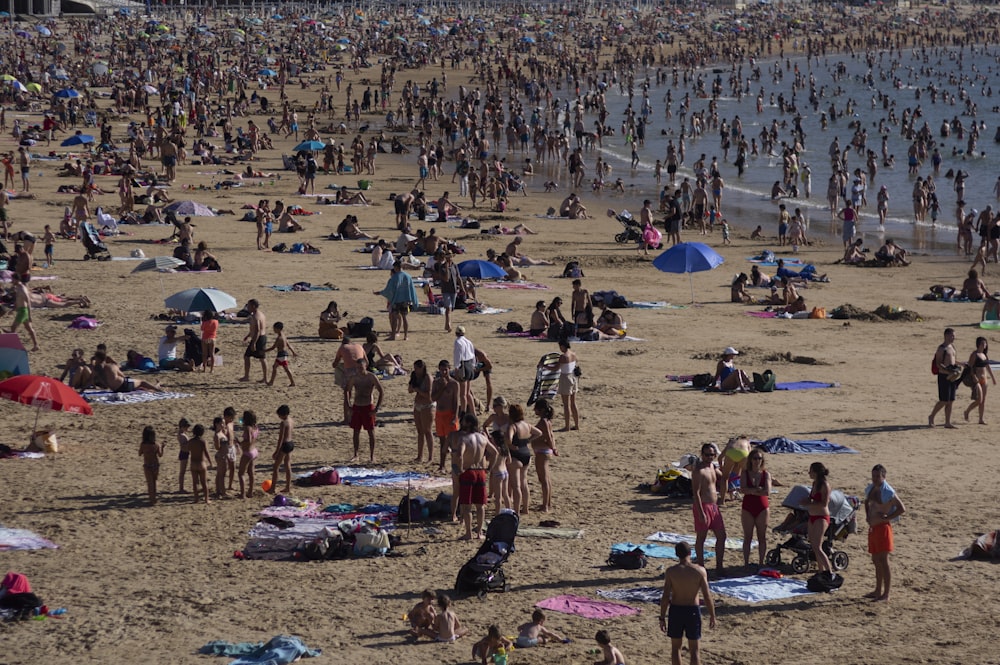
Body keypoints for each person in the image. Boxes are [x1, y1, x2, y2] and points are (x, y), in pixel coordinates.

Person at [659, 541, 716, 665]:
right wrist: (712, 614)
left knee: (675, 649)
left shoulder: (671, 571)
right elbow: (707, 596)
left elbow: (665, 596)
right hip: (692, 610)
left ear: (676, 554)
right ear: (690, 553)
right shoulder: (699, 571)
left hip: (676, 610)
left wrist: (662, 617)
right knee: (694, 650)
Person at [864, 464, 906, 602]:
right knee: (875, 560)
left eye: (878, 476)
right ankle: (877, 590)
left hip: (883, 528)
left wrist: (888, 517)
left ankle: (886, 594)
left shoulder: (888, 491)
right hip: (874, 528)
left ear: (883, 476)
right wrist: (867, 516)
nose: (875, 478)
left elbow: (901, 508)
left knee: (884, 560)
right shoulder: (871, 488)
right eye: (873, 476)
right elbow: (866, 502)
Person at [456, 412, 491, 540]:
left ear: (469, 423)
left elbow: (459, 454)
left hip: (468, 471)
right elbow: (495, 452)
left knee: (467, 505)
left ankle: (469, 533)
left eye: (464, 421)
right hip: (481, 471)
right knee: (480, 505)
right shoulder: (482, 437)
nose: (461, 423)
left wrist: (459, 469)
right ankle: (479, 533)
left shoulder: (464, 438)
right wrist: (489, 467)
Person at [692, 443, 726, 573]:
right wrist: (701, 513)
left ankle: (719, 566)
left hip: (714, 506)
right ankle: (701, 566)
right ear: (702, 455)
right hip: (703, 506)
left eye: (712, 455)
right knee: (701, 538)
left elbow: (724, 477)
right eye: (706, 455)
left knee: (722, 536)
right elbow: (696, 494)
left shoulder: (712, 466)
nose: (709, 457)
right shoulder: (698, 471)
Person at [506, 402, 541, 515]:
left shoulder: (513, 426)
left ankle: (516, 511)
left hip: (516, 456)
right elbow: (538, 433)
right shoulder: (526, 425)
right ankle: (525, 508)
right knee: (524, 483)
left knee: (516, 485)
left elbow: (508, 439)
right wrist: (527, 441)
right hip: (526, 453)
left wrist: (510, 446)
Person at [346, 359, 384, 462]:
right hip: (357, 406)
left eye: (361, 367)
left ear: (365, 366)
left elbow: (381, 391)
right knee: (356, 431)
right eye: (357, 368)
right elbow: (347, 391)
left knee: (371, 432)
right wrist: (349, 406)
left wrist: (376, 408)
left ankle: (372, 455)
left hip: (368, 406)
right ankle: (356, 454)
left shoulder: (371, 377)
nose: (359, 370)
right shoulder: (354, 378)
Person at [801, 462, 833, 577]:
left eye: (811, 471)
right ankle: (820, 571)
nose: (809, 473)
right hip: (812, 516)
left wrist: (809, 503)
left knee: (818, 547)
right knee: (813, 546)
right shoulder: (815, 484)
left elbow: (824, 503)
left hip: (822, 517)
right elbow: (811, 500)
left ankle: (829, 571)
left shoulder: (824, 485)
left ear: (816, 472)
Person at [740, 449, 771, 568]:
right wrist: (756, 490)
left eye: (759, 458)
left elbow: (767, 492)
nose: (757, 461)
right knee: (747, 536)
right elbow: (743, 489)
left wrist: (751, 491)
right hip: (748, 507)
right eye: (755, 458)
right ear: (751, 460)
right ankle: (746, 562)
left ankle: (761, 562)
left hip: (762, 507)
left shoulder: (766, 474)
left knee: (761, 536)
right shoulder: (745, 473)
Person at [375, 261, 418, 340]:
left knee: (394, 318)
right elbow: (412, 289)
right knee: (404, 318)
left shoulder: (394, 277)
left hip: (396, 300)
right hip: (406, 299)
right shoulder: (408, 276)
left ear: (396, 267)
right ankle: (405, 336)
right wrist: (414, 301)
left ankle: (393, 336)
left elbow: (389, 290)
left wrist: (380, 293)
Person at [929, 328, 959, 428]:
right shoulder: (941, 349)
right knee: (944, 400)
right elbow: (938, 364)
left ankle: (947, 422)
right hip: (943, 376)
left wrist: (962, 364)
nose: (953, 337)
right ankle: (932, 416)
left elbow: (955, 361)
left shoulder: (952, 347)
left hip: (953, 376)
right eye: (952, 335)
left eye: (954, 336)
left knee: (951, 400)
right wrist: (947, 370)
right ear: (946, 336)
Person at [532, 398, 558, 513]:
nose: (534, 411)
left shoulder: (543, 422)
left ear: (541, 410)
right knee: (546, 479)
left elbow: (548, 436)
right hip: (544, 451)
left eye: (536, 409)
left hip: (542, 452)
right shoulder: (547, 421)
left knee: (543, 479)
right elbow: (551, 436)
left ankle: (545, 506)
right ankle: (547, 503)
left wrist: (553, 448)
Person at [964, 336, 996, 424]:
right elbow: (970, 366)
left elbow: (988, 367)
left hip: (984, 379)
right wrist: (973, 376)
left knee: (983, 400)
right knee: (979, 400)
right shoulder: (974, 354)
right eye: (982, 343)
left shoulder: (985, 355)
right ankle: (967, 411)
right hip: (976, 380)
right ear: (978, 344)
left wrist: (993, 378)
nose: (984, 345)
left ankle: (981, 419)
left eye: (985, 343)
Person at [409, 359, 434, 463]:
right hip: (418, 405)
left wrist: (418, 390)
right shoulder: (414, 375)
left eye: (417, 368)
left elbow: (429, 396)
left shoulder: (428, 377)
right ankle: (420, 456)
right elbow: (410, 390)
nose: (415, 370)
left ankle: (430, 457)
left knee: (427, 431)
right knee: (420, 431)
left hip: (427, 406)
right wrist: (413, 388)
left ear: (422, 368)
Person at [8, 274, 38, 351]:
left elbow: (28, 301)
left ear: (17, 279)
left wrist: (30, 315)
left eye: (13, 279)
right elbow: (18, 300)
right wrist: (13, 309)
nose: (11, 281)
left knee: (13, 327)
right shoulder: (17, 287)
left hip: (23, 311)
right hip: (21, 310)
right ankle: (36, 345)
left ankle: (11, 345)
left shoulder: (22, 288)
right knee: (29, 329)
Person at [240, 299, 267, 382]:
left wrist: (254, 343)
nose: (247, 307)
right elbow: (254, 329)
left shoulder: (256, 316)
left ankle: (264, 378)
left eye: (248, 305)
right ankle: (247, 376)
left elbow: (258, 330)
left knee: (262, 358)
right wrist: (248, 336)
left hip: (259, 338)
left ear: (253, 306)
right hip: (257, 337)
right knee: (247, 356)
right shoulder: (256, 314)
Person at [437, 252, 464, 333]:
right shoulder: (442, 267)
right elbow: (446, 279)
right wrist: (446, 267)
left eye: (450, 256)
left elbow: (458, 277)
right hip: (446, 290)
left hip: (454, 289)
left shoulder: (454, 266)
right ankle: (448, 324)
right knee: (448, 308)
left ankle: (446, 323)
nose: (449, 258)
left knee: (451, 308)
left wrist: (462, 288)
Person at [270, 405, 294, 494]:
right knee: (287, 465)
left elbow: (281, 438)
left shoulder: (283, 423)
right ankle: (288, 487)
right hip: (291, 443)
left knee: (276, 466)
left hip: (285, 444)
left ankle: (272, 488)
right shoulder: (291, 420)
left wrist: (277, 451)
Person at [453, 325, 476, 417]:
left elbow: (457, 355)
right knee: (468, 392)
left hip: (463, 365)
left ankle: (463, 412)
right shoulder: (468, 341)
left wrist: (456, 367)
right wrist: (473, 365)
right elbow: (473, 354)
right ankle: (473, 412)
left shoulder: (458, 342)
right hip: (470, 364)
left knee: (463, 393)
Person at [265, 322, 297, 387]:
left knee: (286, 369)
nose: (274, 330)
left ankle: (292, 382)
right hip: (283, 354)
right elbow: (288, 344)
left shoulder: (279, 338)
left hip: (281, 355)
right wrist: (293, 352)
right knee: (275, 367)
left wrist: (264, 351)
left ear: (278, 329)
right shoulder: (283, 335)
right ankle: (271, 382)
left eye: (274, 329)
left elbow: (273, 347)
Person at [138, 425, 163, 506]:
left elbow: (139, 453)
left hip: (147, 465)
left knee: (150, 483)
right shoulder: (156, 444)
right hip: (155, 465)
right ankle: (154, 499)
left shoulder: (143, 444)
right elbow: (160, 455)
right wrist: (162, 447)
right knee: (154, 482)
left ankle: (151, 499)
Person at [237, 410, 259, 500]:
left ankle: (243, 494)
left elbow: (248, 441)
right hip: (254, 451)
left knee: (241, 473)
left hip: (247, 452)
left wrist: (239, 443)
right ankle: (250, 491)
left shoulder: (248, 428)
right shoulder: (255, 427)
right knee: (250, 473)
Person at [188, 424, 211, 505]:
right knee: (204, 482)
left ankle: (196, 499)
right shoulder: (202, 441)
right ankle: (206, 499)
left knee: (195, 482)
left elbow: (187, 450)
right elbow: (206, 452)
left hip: (193, 463)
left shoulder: (190, 441)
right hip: (201, 463)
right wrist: (210, 461)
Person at [212, 417, 230, 499]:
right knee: (221, 474)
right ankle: (222, 491)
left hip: (224, 455)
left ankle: (219, 490)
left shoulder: (222, 432)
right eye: (221, 423)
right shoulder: (217, 435)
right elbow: (217, 447)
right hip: (221, 456)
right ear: (217, 424)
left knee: (221, 473)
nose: (223, 425)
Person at [176, 418, 192, 493]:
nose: (187, 428)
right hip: (184, 453)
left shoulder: (182, 434)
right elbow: (183, 446)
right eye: (186, 427)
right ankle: (181, 488)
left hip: (185, 453)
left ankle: (181, 487)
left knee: (183, 471)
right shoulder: (182, 435)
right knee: (182, 471)